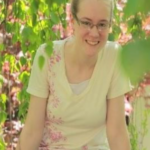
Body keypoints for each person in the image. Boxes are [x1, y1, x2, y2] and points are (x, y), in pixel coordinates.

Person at [16, 0, 131, 149]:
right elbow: (32, 131)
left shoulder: (114, 57)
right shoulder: (47, 56)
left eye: (102, 24)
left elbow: (117, 133)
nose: (95, 33)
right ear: (72, 20)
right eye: (86, 23)